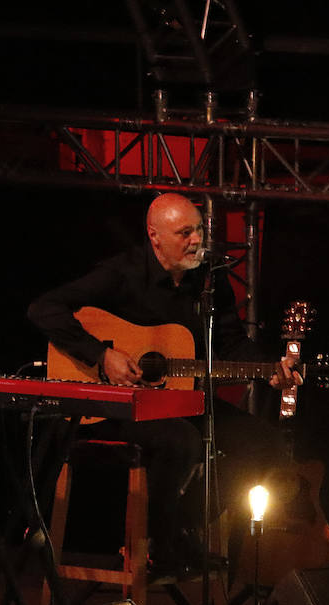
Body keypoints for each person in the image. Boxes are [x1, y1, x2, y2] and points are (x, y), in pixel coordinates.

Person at [28, 192, 301, 577]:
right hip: (118, 404)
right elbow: (44, 309)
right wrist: (101, 355)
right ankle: (161, 538)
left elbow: (230, 343)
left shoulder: (210, 278)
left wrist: (269, 368)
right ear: (154, 236)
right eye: (184, 232)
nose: (196, 241)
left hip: (181, 400)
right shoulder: (121, 274)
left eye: (200, 231)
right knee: (181, 440)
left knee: (264, 444)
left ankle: (182, 524)